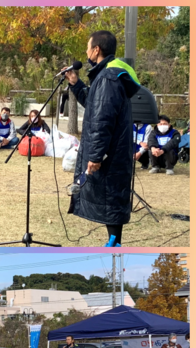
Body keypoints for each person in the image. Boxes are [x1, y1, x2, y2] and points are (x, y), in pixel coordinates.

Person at [63, 30, 141, 247]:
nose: (86, 52)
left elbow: (102, 119)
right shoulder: (107, 75)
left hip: (110, 154)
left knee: (111, 198)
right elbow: (94, 104)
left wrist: (96, 155)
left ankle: (114, 244)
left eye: (88, 47)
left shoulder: (107, 78)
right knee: (110, 198)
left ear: (96, 50)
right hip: (113, 152)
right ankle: (113, 242)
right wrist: (75, 83)